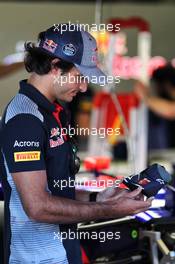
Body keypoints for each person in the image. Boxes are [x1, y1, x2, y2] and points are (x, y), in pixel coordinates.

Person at [0, 24, 152, 264]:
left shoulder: (56, 111)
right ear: (54, 67)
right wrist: (109, 210)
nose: (83, 87)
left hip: (64, 252)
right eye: (80, 77)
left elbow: (57, 189)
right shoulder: (25, 119)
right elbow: (38, 207)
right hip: (36, 258)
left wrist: (99, 198)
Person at [134, 64, 175, 149]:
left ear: (165, 85)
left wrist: (145, 97)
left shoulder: (162, 106)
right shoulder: (157, 107)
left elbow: (171, 111)